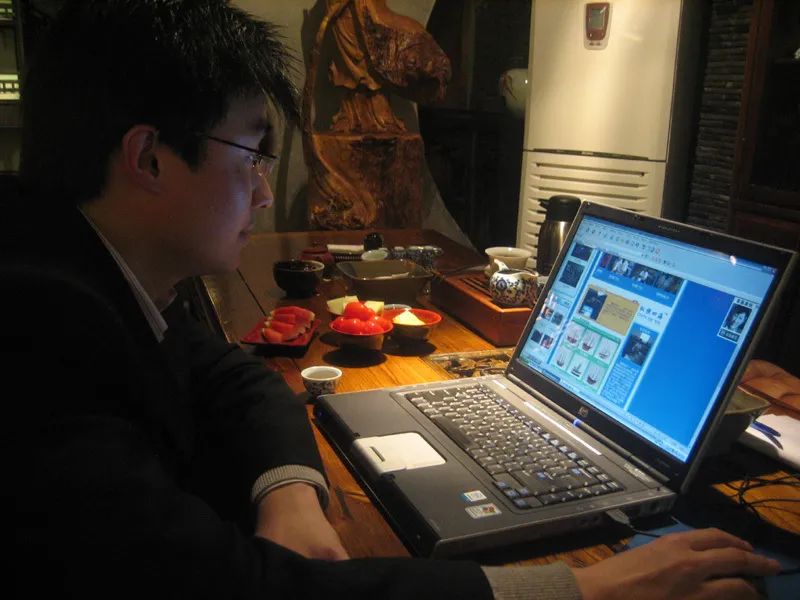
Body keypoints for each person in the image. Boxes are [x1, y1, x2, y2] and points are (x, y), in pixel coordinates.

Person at [4, 2, 780, 599]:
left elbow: (230, 377)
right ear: (149, 159)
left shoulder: (99, 270)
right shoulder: (36, 331)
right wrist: (584, 590)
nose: (267, 192)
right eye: (252, 154)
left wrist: (288, 490)